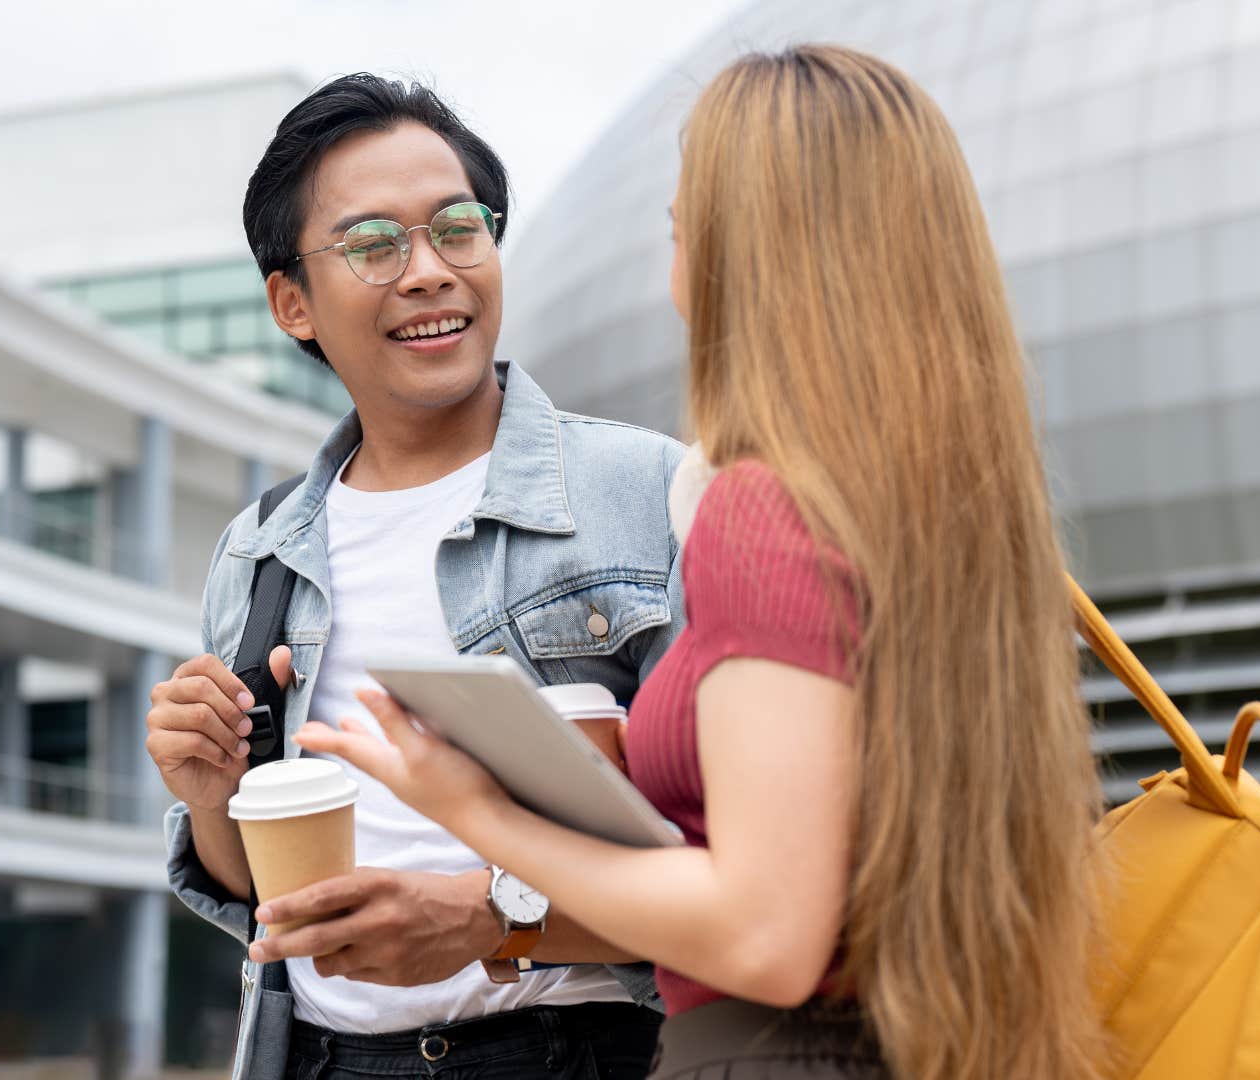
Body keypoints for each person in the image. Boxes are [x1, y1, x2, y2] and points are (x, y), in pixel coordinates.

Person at [296, 46, 1108, 1080]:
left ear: (745, 255)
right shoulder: (952, 517)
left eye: (683, 232)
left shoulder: (760, 513)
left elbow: (765, 936)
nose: (671, 271)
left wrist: (478, 813)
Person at [146, 74, 685, 1079]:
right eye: (374, 245)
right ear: (291, 302)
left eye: (457, 228)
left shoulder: (648, 490)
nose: (430, 271)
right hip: (320, 1059)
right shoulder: (258, 550)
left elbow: (740, 876)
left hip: (579, 1051)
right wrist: (213, 793)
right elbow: (257, 891)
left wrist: (494, 918)